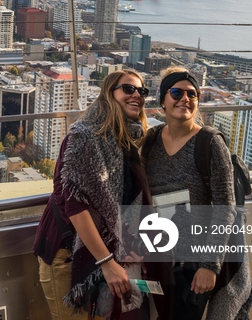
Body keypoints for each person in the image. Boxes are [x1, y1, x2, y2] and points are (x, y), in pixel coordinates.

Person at [33, 70, 151, 319]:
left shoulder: (128, 140)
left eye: (142, 91)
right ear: (109, 94)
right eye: (128, 89)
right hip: (69, 255)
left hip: (103, 256)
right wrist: (107, 262)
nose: (137, 95)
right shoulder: (85, 137)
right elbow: (76, 208)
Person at [142, 67, 252, 320]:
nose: (185, 98)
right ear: (163, 100)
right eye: (176, 92)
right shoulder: (151, 141)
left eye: (192, 94)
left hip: (196, 261)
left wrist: (209, 265)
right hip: (162, 256)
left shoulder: (209, 142)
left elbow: (225, 207)